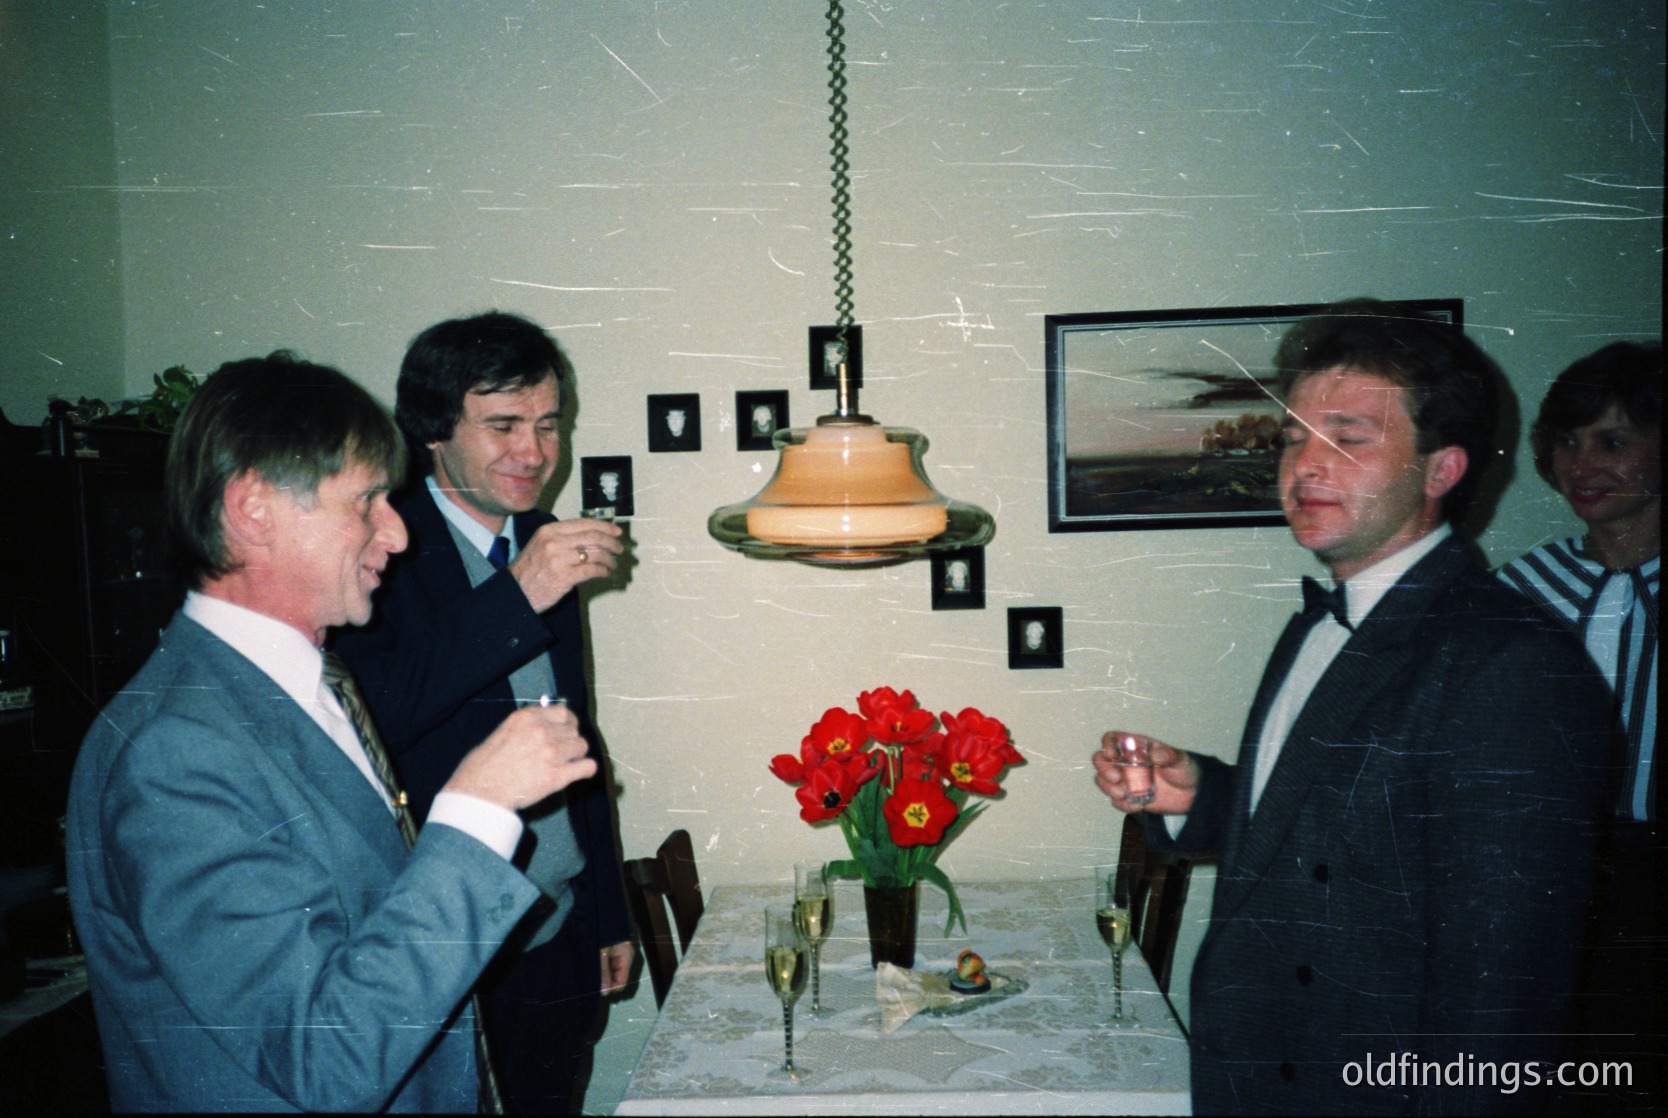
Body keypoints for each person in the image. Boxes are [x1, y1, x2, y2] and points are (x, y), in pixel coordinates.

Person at [1092, 299, 1616, 1115]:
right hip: (1262, 1068)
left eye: (1349, 438)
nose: (1304, 465)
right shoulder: (1318, 619)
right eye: (1295, 436)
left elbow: (1503, 1004)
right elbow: (1340, 837)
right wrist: (1203, 794)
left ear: (1442, 470)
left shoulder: (1514, 666)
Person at [65, 353, 598, 1112]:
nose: (398, 533)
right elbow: (325, 1058)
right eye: (369, 501)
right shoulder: (175, 752)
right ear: (254, 510)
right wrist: (475, 811)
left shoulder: (318, 685)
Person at [332, 311, 631, 1114]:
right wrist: (518, 594)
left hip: (557, 928)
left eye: (547, 424)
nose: (533, 454)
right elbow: (372, 725)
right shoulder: (379, 547)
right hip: (443, 942)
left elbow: (575, 731)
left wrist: (608, 910)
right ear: (433, 430)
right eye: (502, 426)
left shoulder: (541, 540)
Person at [1497, 340, 1661, 1108]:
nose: (1582, 465)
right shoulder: (1525, 587)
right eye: (1566, 441)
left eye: (1613, 441)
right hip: (1549, 870)